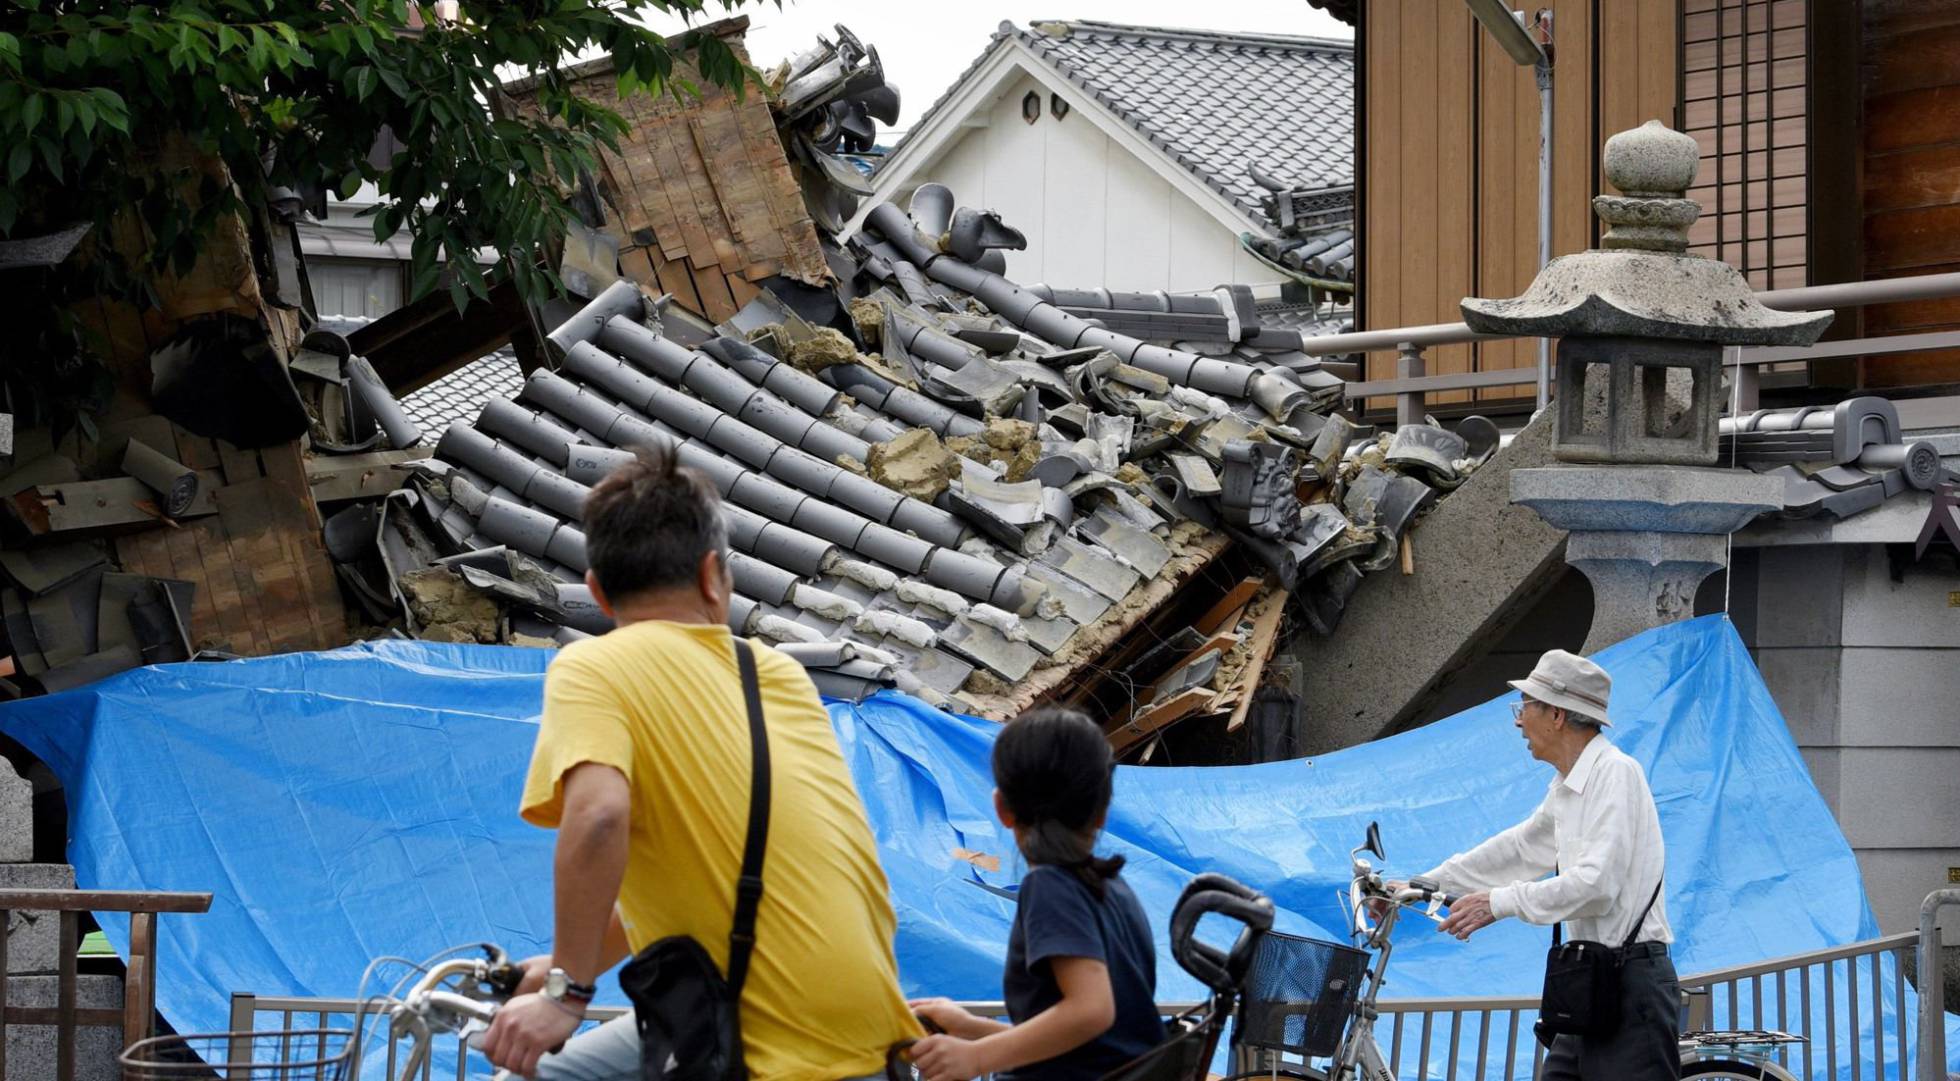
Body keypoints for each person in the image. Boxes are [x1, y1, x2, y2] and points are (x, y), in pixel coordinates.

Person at [480, 444, 921, 1080]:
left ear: (599, 594)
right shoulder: (777, 673)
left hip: (772, 1038)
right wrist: (557, 962)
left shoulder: (591, 666)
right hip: (861, 1022)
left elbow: (600, 816)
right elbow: (714, 869)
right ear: (715, 576)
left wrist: (568, 993)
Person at [1413, 649, 1677, 1081]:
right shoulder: (1567, 786)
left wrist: (1499, 903)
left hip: (1631, 982)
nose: (1518, 721)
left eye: (1525, 707)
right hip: (1592, 980)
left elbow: (1598, 884)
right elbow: (1518, 850)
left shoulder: (1616, 774)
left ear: (1556, 714)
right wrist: (1422, 883)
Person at [906, 708, 1164, 1081]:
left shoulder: (1052, 887)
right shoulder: (1113, 889)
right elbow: (1084, 1051)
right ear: (1103, 812)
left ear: (1001, 809)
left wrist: (977, 1058)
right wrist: (971, 1029)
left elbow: (1091, 1011)